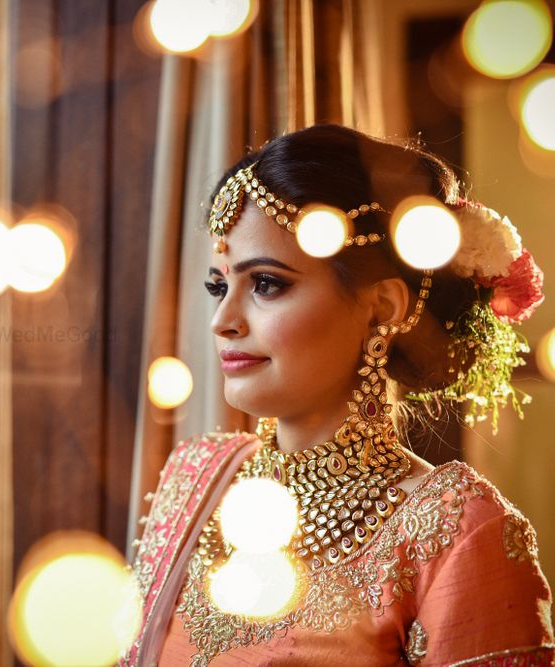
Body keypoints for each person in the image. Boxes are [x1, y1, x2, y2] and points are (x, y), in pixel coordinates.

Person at [119, 125, 553, 666]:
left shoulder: (456, 531)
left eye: (267, 284)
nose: (222, 320)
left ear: (384, 308)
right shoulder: (197, 478)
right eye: (218, 286)